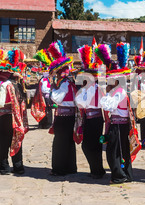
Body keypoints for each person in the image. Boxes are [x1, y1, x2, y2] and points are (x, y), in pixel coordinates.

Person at [98, 43, 134, 184]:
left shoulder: (118, 92)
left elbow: (108, 105)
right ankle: (124, 174)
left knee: (114, 152)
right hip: (118, 125)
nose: (108, 80)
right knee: (120, 151)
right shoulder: (116, 91)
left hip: (118, 126)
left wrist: (105, 93)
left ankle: (120, 175)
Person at [0, 49, 27, 175]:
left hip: (5, 117)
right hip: (17, 117)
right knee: (16, 140)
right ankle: (18, 167)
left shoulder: (4, 85)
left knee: (3, 143)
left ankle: (4, 167)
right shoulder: (19, 85)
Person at [75, 44, 106, 179]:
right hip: (89, 118)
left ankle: (97, 170)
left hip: (96, 119)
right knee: (90, 146)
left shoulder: (96, 88)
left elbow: (82, 103)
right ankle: (96, 169)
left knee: (91, 146)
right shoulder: (87, 89)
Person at [47, 41, 77, 176]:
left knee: (60, 144)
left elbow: (57, 99)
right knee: (68, 143)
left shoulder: (63, 84)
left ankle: (60, 168)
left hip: (63, 117)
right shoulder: (69, 83)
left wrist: (52, 90)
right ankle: (70, 167)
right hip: (70, 116)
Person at [32, 49, 53, 129]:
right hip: (41, 97)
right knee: (42, 110)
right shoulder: (42, 80)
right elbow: (41, 88)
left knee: (48, 110)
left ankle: (48, 123)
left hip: (47, 97)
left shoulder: (49, 80)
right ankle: (42, 123)